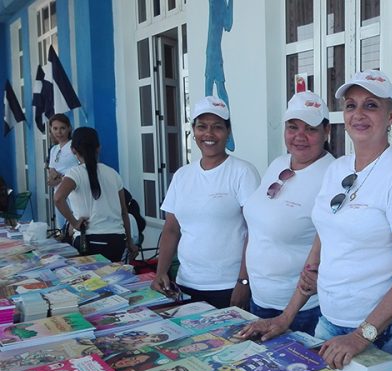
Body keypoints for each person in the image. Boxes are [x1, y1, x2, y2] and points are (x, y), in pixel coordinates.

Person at [240, 70, 392, 371]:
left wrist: (361, 336)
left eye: (371, 105)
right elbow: (321, 243)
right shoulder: (340, 168)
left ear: (391, 115)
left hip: (382, 330)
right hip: (330, 319)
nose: (359, 114)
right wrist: (286, 316)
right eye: (351, 105)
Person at [231, 91, 335, 335]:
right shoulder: (278, 163)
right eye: (292, 127)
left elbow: (336, 243)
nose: (299, 137)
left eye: (310, 128)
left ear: (326, 131)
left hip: (302, 311)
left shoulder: (333, 175)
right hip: (259, 299)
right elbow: (255, 230)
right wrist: (244, 281)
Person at [150, 96, 260, 309]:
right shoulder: (182, 175)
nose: (209, 134)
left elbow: (255, 231)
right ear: (193, 131)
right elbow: (171, 229)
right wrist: (161, 271)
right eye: (202, 127)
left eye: (217, 127)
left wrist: (243, 281)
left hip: (228, 286)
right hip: (184, 284)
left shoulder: (243, 172)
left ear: (228, 131)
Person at [54, 127, 138, 262]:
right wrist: (130, 242)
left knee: (90, 281)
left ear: (73, 150)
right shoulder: (113, 174)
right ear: (98, 148)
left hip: (89, 241)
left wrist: (74, 223)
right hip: (116, 241)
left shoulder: (74, 173)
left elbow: (58, 198)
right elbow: (124, 212)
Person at [46, 114, 78, 229]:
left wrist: (62, 178)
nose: (58, 132)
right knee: (62, 227)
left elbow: (81, 168)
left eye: (62, 128)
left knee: (74, 225)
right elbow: (51, 175)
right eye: (55, 128)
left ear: (69, 128)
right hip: (58, 194)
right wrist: (53, 179)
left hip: (74, 193)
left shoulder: (74, 146)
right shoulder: (54, 149)